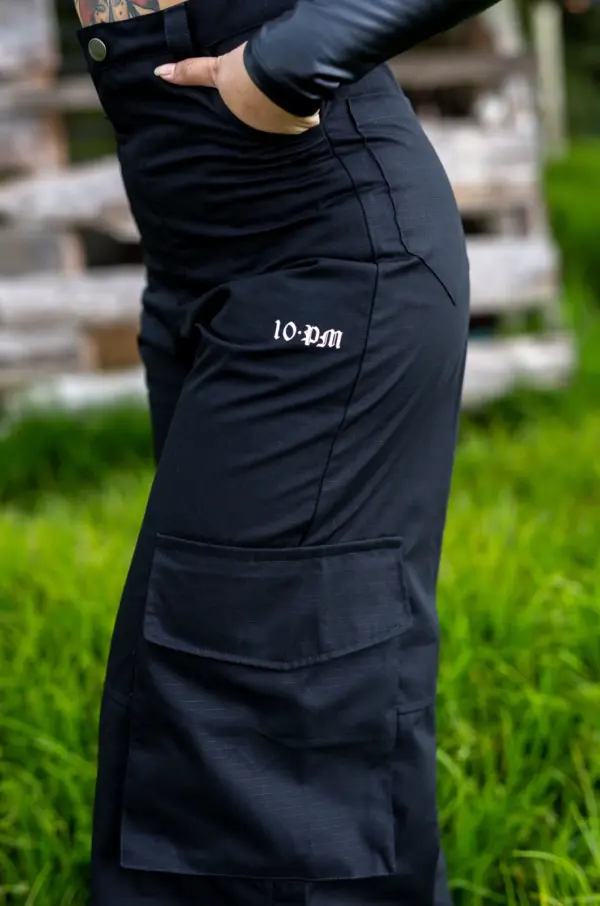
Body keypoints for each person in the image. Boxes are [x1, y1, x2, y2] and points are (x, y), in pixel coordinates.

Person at [74, 0, 500, 903]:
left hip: (320, 240)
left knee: (246, 745)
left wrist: (293, 58)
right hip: (190, 244)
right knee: (246, 718)